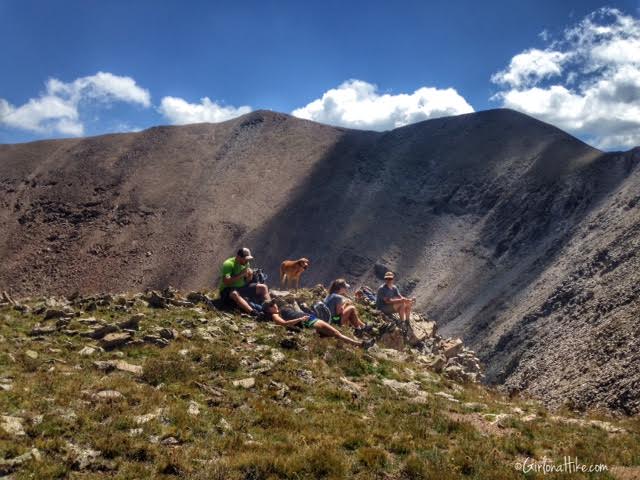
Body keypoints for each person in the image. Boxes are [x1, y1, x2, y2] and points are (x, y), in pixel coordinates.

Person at [262, 299, 374, 348]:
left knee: (333, 335)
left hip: (308, 319)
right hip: (308, 321)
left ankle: (359, 343)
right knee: (336, 333)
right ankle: (360, 345)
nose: (274, 305)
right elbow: (284, 324)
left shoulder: (278, 311)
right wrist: (300, 320)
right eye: (272, 305)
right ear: (269, 309)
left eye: (273, 303)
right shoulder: (275, 315)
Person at [218, 247, 270, 315]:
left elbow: (247, 281)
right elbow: (226, 281)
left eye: (248, 259)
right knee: (234, 294)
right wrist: (241, 274)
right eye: (245, 259)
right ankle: (253, 313)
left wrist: (250, 276)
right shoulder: (228, 264)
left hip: (241, 288)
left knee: (263, 287)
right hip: (227, 289)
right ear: (238, 257)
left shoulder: (246, 264)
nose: (247, 261)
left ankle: (270, 306)